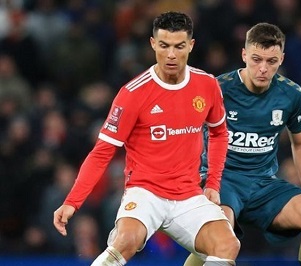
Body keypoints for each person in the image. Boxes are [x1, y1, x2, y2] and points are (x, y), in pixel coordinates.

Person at [53, 11, 240, 266]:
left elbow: (219, 132)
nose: (171, 55)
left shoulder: (206, 85)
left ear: (191, 45)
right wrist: (72, 202)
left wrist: (213, 184)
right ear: (153, 44)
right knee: (125, 241)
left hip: (188, 194)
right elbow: (101, 152)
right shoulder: (133, 94)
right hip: (145, 192)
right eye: (164, 46)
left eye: (179, 46)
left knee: (228, 244)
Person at [184, 22, 301, 266]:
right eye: (256, 59)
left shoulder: (290, 94)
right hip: (222, 180)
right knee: (221, 236)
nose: (263, 68)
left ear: (281, 59)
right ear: (244, 55)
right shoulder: (218, 89)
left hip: (263, 184)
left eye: (271, 61)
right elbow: (186, 133)